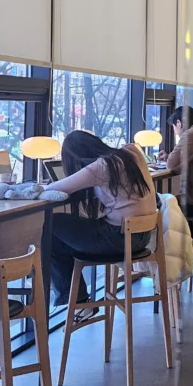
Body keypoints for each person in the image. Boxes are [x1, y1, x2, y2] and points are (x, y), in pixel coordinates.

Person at [43, 132, 156, 310]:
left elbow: (56, 187)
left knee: (53, 226)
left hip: (118, 239)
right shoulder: (131, 152)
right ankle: (75, 296)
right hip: (143, 237)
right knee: (63, 239)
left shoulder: (103, 166)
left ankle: (78, 302)